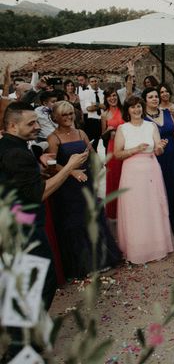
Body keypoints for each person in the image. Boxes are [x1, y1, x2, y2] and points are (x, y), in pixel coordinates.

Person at [0, 102, 88, 309]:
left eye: (37, 122)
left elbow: (16, 181)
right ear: (13, 126)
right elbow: (37, 194)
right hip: (23, 224)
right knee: (43, 280)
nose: (37, 127)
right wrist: (69, 168)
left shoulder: (10, 146)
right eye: (31, 124)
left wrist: (37, 168)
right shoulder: (16, 154)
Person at [47, 101, 121, 279]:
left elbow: (91, 152)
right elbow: (50, 166)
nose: (68, 118)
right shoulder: (53, 138)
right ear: (55, 117)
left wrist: (98, 164)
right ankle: (82, 265)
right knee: (76, 222)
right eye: (64, 115)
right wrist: (71, 171)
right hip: (67, 186)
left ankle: (100, 260)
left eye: (71, 114)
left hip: (86, 181)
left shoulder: (81, 133)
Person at [114, 96, 174, 264]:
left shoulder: (151, 126)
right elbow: (118, 154)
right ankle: (137, 249)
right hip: (132, 172)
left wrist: (160, 147)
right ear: (127, 110)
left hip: (151, 169)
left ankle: (156, 246)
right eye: (133, 107)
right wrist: (135, 149)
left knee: (152, 206)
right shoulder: (122, 129)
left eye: (139, 106)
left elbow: (157, 150)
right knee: (135, 209)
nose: (137, 110)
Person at [144, 87, 174, 232]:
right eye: (151, 97)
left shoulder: (167, 112)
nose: (154, 99)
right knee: (157, 188)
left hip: (171, 153)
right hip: (154, 156)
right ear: (145, 100)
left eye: (156, 96)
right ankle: (158, 222)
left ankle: (172, 220)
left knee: (170, 186)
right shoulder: (143, 117)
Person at [101, 87, 125, 220]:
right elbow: (102, 135)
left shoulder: (123, 110)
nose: (112, 98)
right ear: (106, 99)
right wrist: (108, 130)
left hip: (125, 146)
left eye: (114, 95)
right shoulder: (104, 115)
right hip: (112, 147)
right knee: (114, 178)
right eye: (109, 96)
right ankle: (114, 211)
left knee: (126, 177)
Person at [80, 75, 105, 150]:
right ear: (89, 83)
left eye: (95, 81)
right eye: (92, 81)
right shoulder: (86, 93)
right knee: (93, 144)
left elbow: (106, 107)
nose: (94, 83)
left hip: (103, 120)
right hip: (92, 121)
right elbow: (89, 109)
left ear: (98, 82)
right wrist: (101, 105)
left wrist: (96, 104)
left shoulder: (103, 93)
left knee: (103, 143)